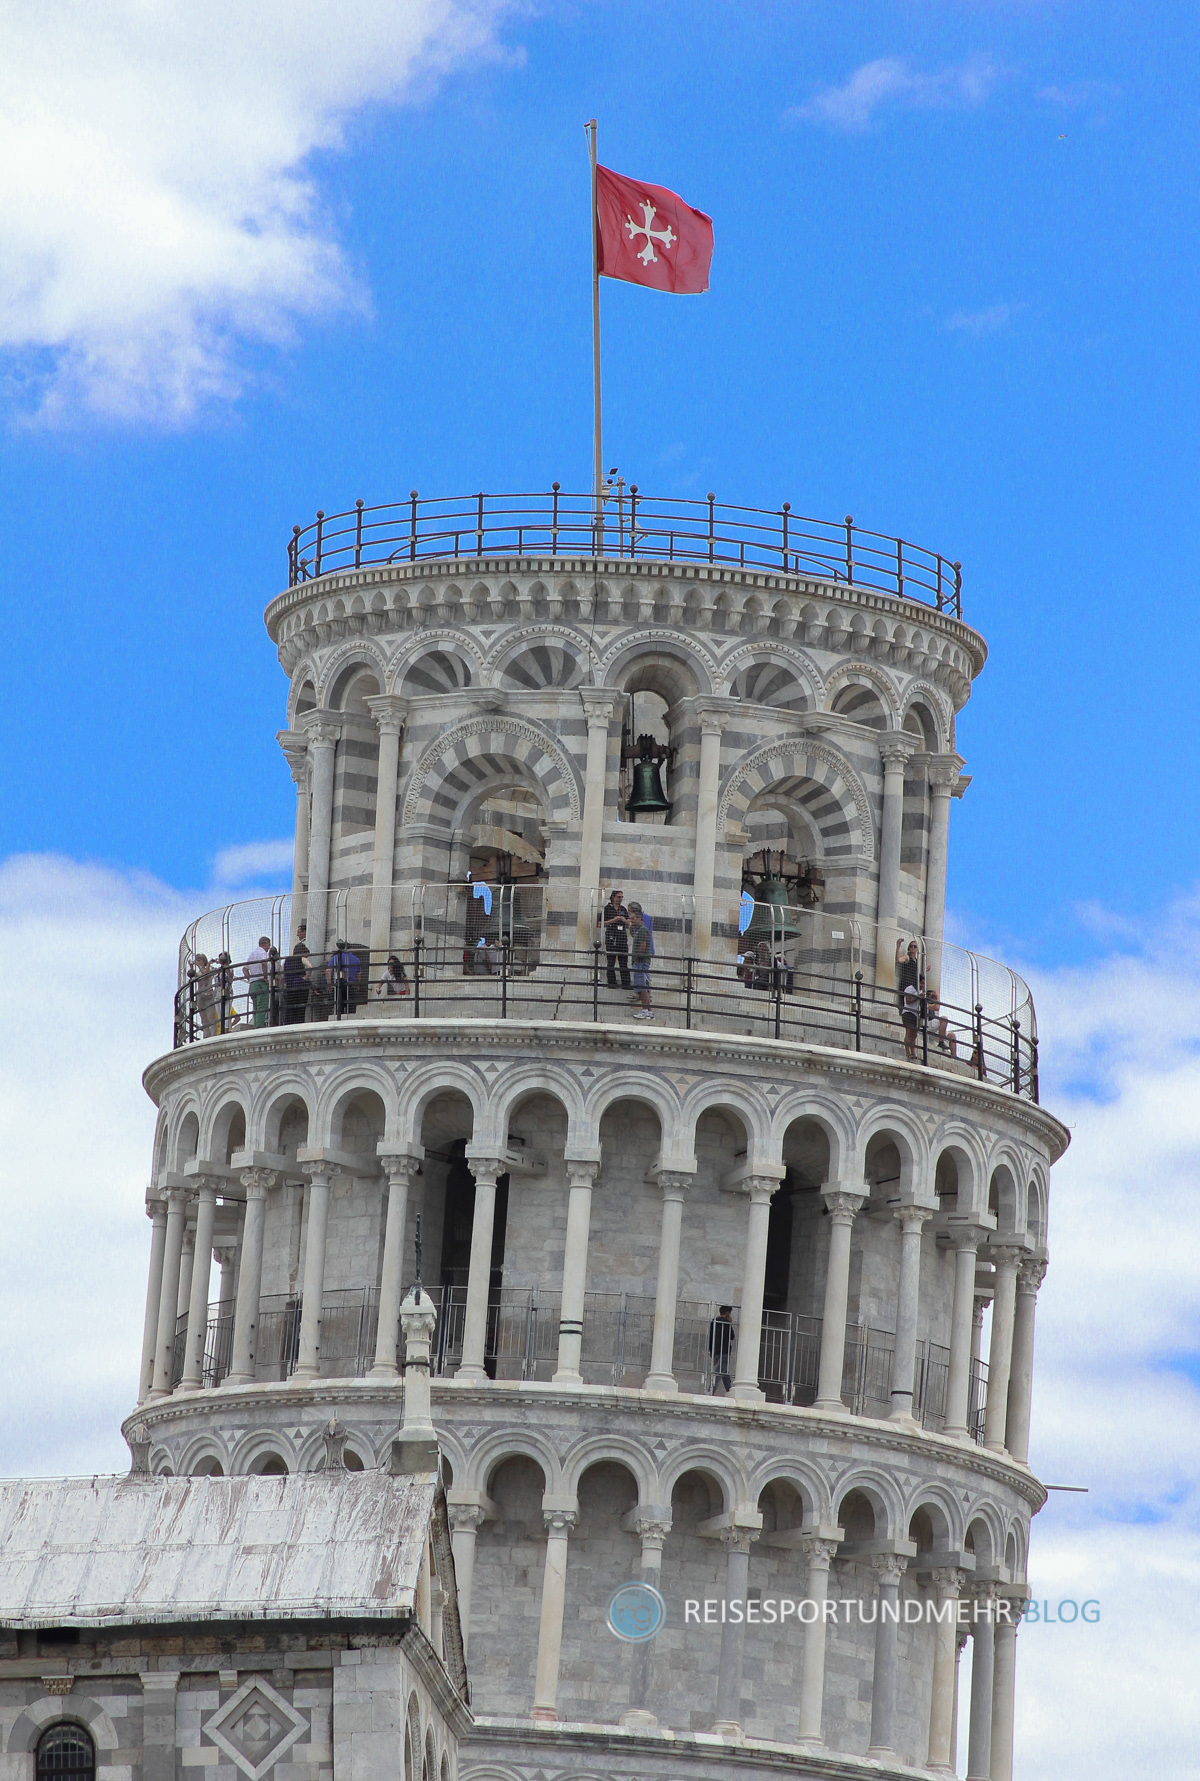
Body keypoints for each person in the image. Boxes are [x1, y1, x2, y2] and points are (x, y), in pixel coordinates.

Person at [628, 901, 654, 1017]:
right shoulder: (640, 930)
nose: (631, 920)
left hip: (641, 962)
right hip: (642, 961)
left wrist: (637, 958)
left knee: (642, 988)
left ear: (639, 918)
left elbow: (642, 946)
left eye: (633, 918)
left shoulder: (642, 930)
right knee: (644, 987)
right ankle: (648, 1011)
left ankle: (645, 1010)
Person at [602, 889, 631, 990]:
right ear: (613, 897)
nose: (620, 899)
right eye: (619, 897)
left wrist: (624, 920)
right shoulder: (607, 909)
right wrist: (613, 920)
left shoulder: (623, 909)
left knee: (624, 961)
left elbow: (629, 924)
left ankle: (626, 984)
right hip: (611, 937)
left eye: (622, 897)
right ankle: (612, 983)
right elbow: (600, 923)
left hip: (622, 938)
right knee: (611, 961)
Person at [326, 938, 361, 1016]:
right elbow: (358, 976)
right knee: (351, 1009)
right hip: (351, 986)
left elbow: (328, 971)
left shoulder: (334, 958)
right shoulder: (356, 960)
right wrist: (357, 986)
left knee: (339, 1008)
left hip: (338, 986)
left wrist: (330, 984)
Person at [243, 935, 272, 1028]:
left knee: (255, 1008)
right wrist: (265, 976)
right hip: (260, 983)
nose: (269, 948)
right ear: (266, 944)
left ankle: (256, 1025)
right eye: (269, 945)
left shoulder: (252, 954)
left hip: (252, 985)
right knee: (261, 1007)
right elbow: (264, 963)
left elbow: (244, 969)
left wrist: (250, 978)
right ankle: (258, 1027)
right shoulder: (263, 953)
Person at [708, 1305, 735, 1393]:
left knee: (724, 1373)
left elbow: (710, 1338)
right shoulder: (726, 1323)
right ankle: (710, 1391)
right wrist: (730, 1324)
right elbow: (732, 1336)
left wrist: (712, 1353)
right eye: (729, 1313)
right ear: (727, 1313)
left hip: (716, 1351)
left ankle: (730, 1390)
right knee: (719, 1373)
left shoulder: (714, 1322)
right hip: (724, 1351)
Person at [283, 940, 311, 1024]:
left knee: (290, 1009)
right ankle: (299, 1024)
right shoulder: (302, 958)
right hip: (301, 987)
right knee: (301, 1008)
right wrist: (305, 977)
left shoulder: (286, 960)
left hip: (290, 987)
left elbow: (281, 975)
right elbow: (310, 966)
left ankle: (288, 1025)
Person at [925, 991, 955, 1056]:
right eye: (932, 997)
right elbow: (937, 1008)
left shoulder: (931, 1006)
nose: (934, 999)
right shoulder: (925, 1003)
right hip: (927, 1025)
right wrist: (938, 996)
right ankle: (941, 1042)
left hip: (932, 1029)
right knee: (944, 1019)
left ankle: (954, 1056)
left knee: (952, 1035)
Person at [901, 978, 923, 1061]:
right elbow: (908, 1001)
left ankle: (913, 1053)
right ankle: (908, 1053)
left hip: (916, 1014)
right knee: (909, 1032)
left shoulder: (920, 992)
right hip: (908, 1013)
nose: (922, 985)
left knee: (914, 1035)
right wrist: (918, 997)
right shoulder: (910, 989)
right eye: (921, 983)